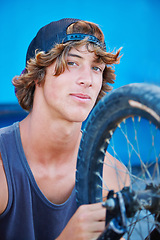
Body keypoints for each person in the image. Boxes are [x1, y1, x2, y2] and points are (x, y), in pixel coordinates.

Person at [0, 18, 128, 239]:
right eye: (72, 62)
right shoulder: (3, 168)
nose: (88, 80)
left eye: (96, 68)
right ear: (37, 74)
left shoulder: (114, 176)